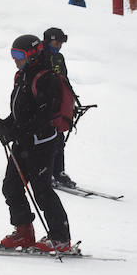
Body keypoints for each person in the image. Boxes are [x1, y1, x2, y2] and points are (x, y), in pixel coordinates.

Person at [0, 35, 72, 253]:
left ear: (33, 54)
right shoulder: (22, 76)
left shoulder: (47, 78)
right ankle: (24, 233)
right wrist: (6, 125)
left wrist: (16, 130)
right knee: (11, 186)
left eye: (19, 55)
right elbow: (21, 112)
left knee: (42, 190)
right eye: (12, 55)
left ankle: (60, 238)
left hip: (42, 143)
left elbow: (44, 115)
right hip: (23, 142)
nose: (15, 60)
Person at [43, 27, 77, 189]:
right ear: (48, 40)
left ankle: (58, 171)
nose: (59, 46)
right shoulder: (40, 56)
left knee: (59, 138)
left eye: (61, 43)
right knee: (47, 138)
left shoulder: (59, 58)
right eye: (56, 42)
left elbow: (65, 80)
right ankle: (45, 171)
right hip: (45, 103)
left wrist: (71, 103)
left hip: (59, 103)